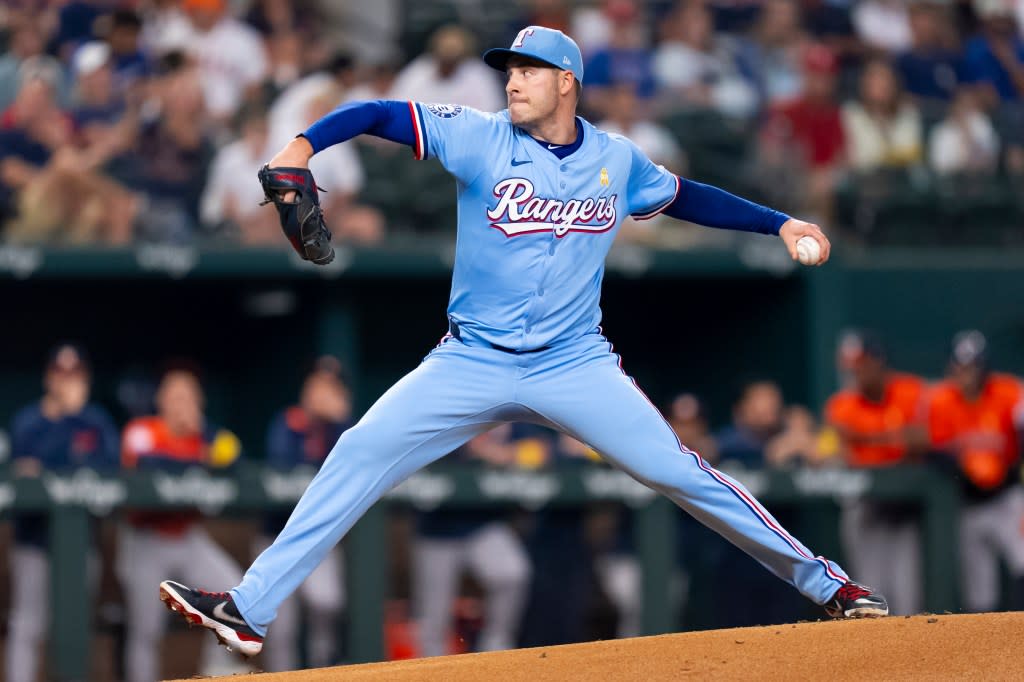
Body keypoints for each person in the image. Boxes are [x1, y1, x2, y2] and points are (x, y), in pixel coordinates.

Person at [159, 25, 887, 659]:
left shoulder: (618, 159)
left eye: (528, 70)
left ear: (566, 81)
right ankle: (248, 609)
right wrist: (302, 143)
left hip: (574, 362)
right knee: (358, 450)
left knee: (681, 472)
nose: (513, 81)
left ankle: (828, 584)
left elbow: (689, 197)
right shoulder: (478, 135)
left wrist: (781, 224)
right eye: (508, 70)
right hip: (471, 359)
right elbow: (381, 112)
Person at [120, 366, 247, 681]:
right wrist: (201, 457)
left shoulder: (203, 435)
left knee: (236, 600)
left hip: (188, 538)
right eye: (175, 395)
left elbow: (236, 458)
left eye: (189, 396)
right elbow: (149, 464)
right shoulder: (143, 430)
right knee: (146, 629)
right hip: (145, 539)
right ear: (160, 399)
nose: (181, 403)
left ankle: (215, 673)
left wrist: (204, 431)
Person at [6, 344, 119, 682]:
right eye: (60, 373)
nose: (67, 382)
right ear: (48, 378)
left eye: (75, 374)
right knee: (26, 626)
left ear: (85, 379)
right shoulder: (28, 420)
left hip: (81, 543)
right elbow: (26, 472)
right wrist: (66, 425)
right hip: (34, 543)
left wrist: (71, 419)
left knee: (74, 628)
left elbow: (111, 468)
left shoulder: (96, 420)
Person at [257, 357, 353, 671]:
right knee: (281, 626)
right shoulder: (287, 422)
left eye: (331, 386)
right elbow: (282, 466)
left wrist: (339, 421)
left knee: (326, 604)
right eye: (318, 384)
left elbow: (356, 465)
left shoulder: (343, 430)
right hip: (277, 537)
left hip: (316, 539)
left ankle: (321, 671)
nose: (323, 392)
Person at [824, 330, 928, 616]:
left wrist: (865, 438)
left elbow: (922, 439)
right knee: (870, 592)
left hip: (904, 506)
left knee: (907, 592)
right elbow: (837, 449)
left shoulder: (910, 390)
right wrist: (894, 438)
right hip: (866, 505)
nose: (856, 372)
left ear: (878, 362)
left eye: (863, 364)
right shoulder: (842, 403)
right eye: (853, 366)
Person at [925, 330, 1024, 612]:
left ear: (984, 367)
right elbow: (934, 451)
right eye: (960, 367)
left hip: (1008, 498)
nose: (966, 373)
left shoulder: (1008, 392)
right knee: (979, 590)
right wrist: (964, 470)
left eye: (972, 366)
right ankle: (985, 651)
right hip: (967, 504)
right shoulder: (941, 400)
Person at [412, 425, 532, 657]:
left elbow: (540, 450)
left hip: (482, 523)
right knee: (433, 618)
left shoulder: (507, 409)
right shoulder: (444, 409)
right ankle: (430, 670)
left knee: (512, 572)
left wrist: (504, 453)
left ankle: (496, 653)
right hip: (438, 529)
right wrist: (474, 448)